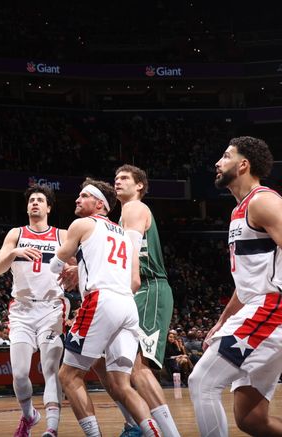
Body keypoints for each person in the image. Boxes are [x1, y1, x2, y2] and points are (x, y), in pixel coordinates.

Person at [51, 179, 160, 437]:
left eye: (83, 196)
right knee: (122, 384)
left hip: (100, 301)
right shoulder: (124, 233)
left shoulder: (82, 224)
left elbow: (56, 263)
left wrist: (67, 266)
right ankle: (154, 433)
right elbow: (134, 279)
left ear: (100, 204)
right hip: (127, 305)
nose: (77, 200)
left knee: (68, 376)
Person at [190, 136, 282, 436]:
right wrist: (222, 321)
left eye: (226, 156)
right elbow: (246, 283)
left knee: (202, 381)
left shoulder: (263, 201)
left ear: (243, 165)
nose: (218, 163)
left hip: (272, 308)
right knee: (252, 419)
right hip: (259, 307)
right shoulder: (238, 211)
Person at [95, 165, 180, 437]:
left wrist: (126, 290)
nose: (117, 182)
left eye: (124, 178)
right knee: (107, 362)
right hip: (132, 291)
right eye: (115, 178)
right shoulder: (121, 217)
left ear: (140, 185)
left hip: (147, 286)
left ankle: (168, 433)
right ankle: (136, 425)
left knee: (137, 367)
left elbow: (131, 254)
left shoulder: (134, 208)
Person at [0, 184, 67, 437]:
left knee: (49, 369)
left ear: (48, 207)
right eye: (31, 200)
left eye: (40, 200)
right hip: (21, 310)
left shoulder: (62, 235)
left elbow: (81, 266)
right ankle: (29, 416)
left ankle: (52, 428)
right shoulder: (16, 234)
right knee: (20, 374)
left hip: (51, 309)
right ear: (27, 207)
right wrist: (14, 252)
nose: (35, 203)